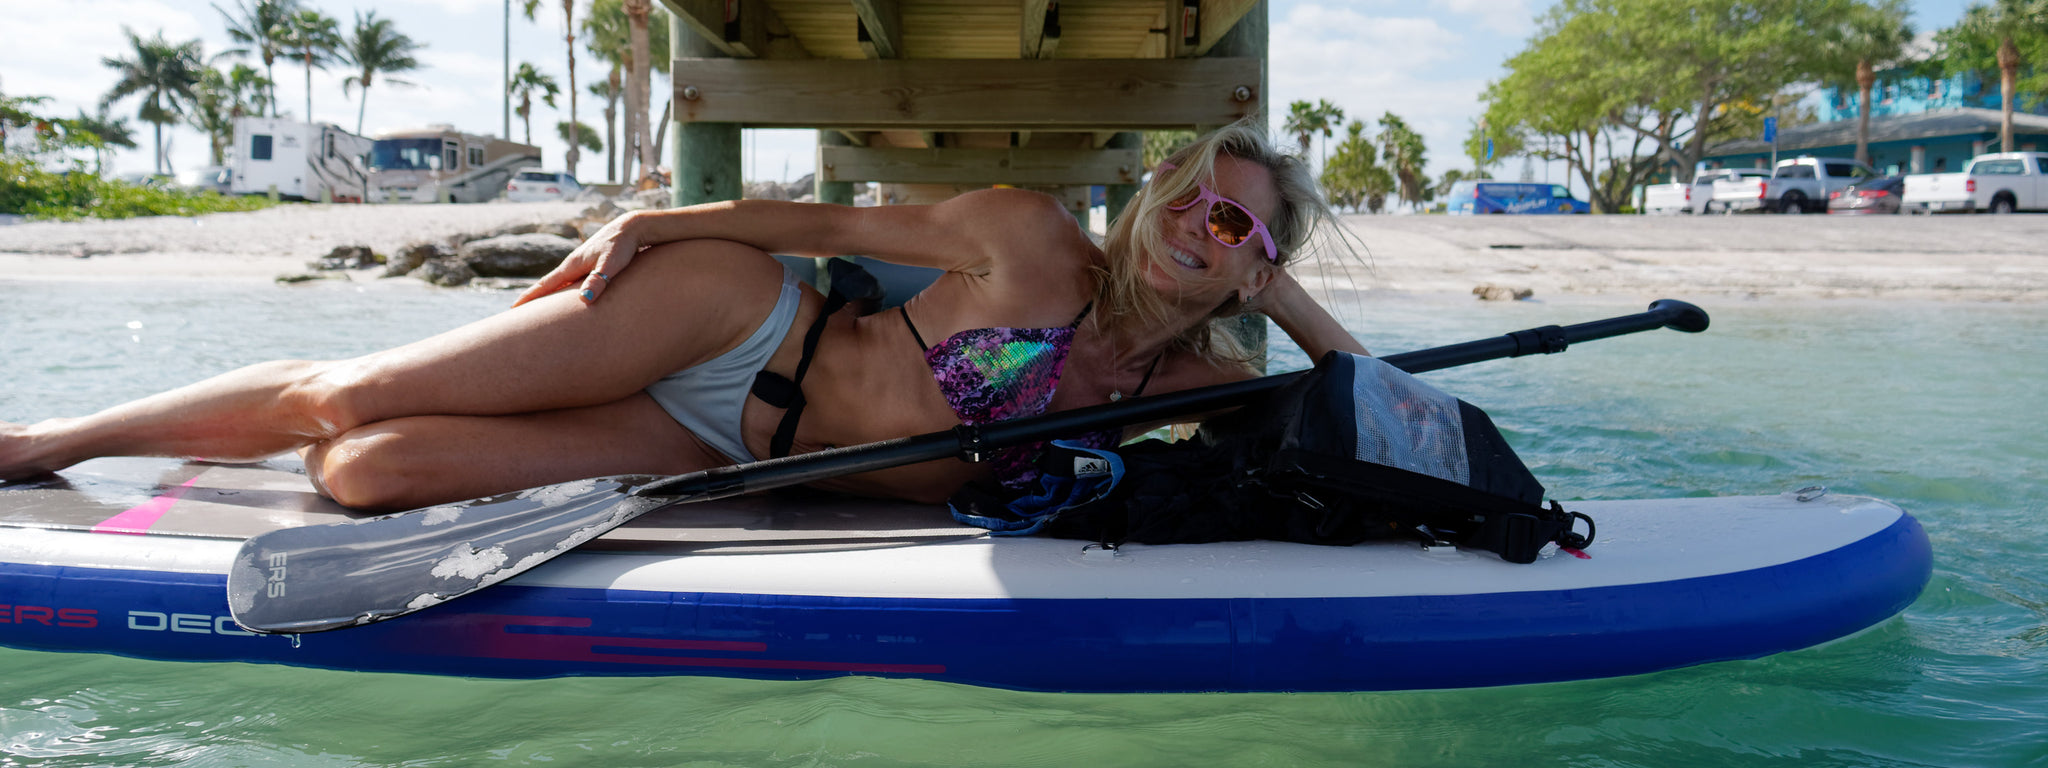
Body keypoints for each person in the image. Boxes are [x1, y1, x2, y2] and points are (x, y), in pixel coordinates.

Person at [0, 121, 1366, 509]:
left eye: (1241, 225)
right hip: (733, 327)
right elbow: (822, 229)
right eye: (1194, 192)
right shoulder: (1023, 232)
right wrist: (662, 225)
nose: (1203, 222)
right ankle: (48, 438)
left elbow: (1390, 415)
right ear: (1154, 195)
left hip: (710, 454)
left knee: (370, 471)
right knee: (345, 400)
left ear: (1261, 269)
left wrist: (1285, 294)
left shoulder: (1205, 382)